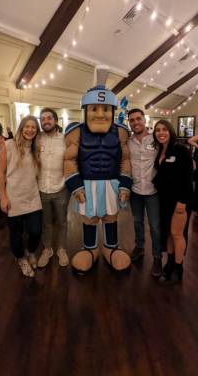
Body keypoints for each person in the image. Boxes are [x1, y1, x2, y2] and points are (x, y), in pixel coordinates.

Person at [64, 67, 132, 273]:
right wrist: (75, 186)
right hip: (87, 184)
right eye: (94, 109)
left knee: (111, 217)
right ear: (86, 110)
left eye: (106, 109)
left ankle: (111, 248)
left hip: (112, 183)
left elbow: (126, 160)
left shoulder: (120, 133)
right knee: (89, 219)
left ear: (113, 111)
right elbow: (69, 160)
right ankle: (90, 248)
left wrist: (125, 185)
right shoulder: (76, 132)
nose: (101, 114)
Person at [0, 116, 42, 278]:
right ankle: (21, 258)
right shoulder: (8, 145)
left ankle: (30, 252)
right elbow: (0, 174)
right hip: (13, 197)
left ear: (37, 131)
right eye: (27, 127)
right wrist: (3, 197)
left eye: (33, 128)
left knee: (36, 231)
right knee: (16, 233)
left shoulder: (36, 148)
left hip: (33, 197)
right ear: (21, 128)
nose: (30, 130)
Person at [152, 120, 193, 284]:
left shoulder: (181, 150)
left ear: (170, 131)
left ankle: (178, 267)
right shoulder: (160, 150)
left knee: (177, 234)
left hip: (180, 200)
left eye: (164, 130)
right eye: (157, 130)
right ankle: (169, 264)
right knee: (168, 233)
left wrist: (182, 202)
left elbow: (188, 178)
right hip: (164, 200)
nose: (161, 133)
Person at [127, 108, 162, 276]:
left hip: (153, 191)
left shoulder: (156, 139)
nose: (135, 122)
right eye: (132, 120)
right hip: (135, 191)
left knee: (155, 226)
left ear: (144, 119)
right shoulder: (128, 142)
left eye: (138, 119)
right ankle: (140, 247)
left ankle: (157, 258)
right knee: (137, 222)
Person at [36, 108, 70, 268]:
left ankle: (61, 249)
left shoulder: (65, 139)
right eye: (42, 119)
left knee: (62, 222)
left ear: (55, 121)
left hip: (61, 188)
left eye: (49, 118)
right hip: (41, 188)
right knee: (46, 222)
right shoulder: (36, 139)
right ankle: (47, 249)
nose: (46, 121)